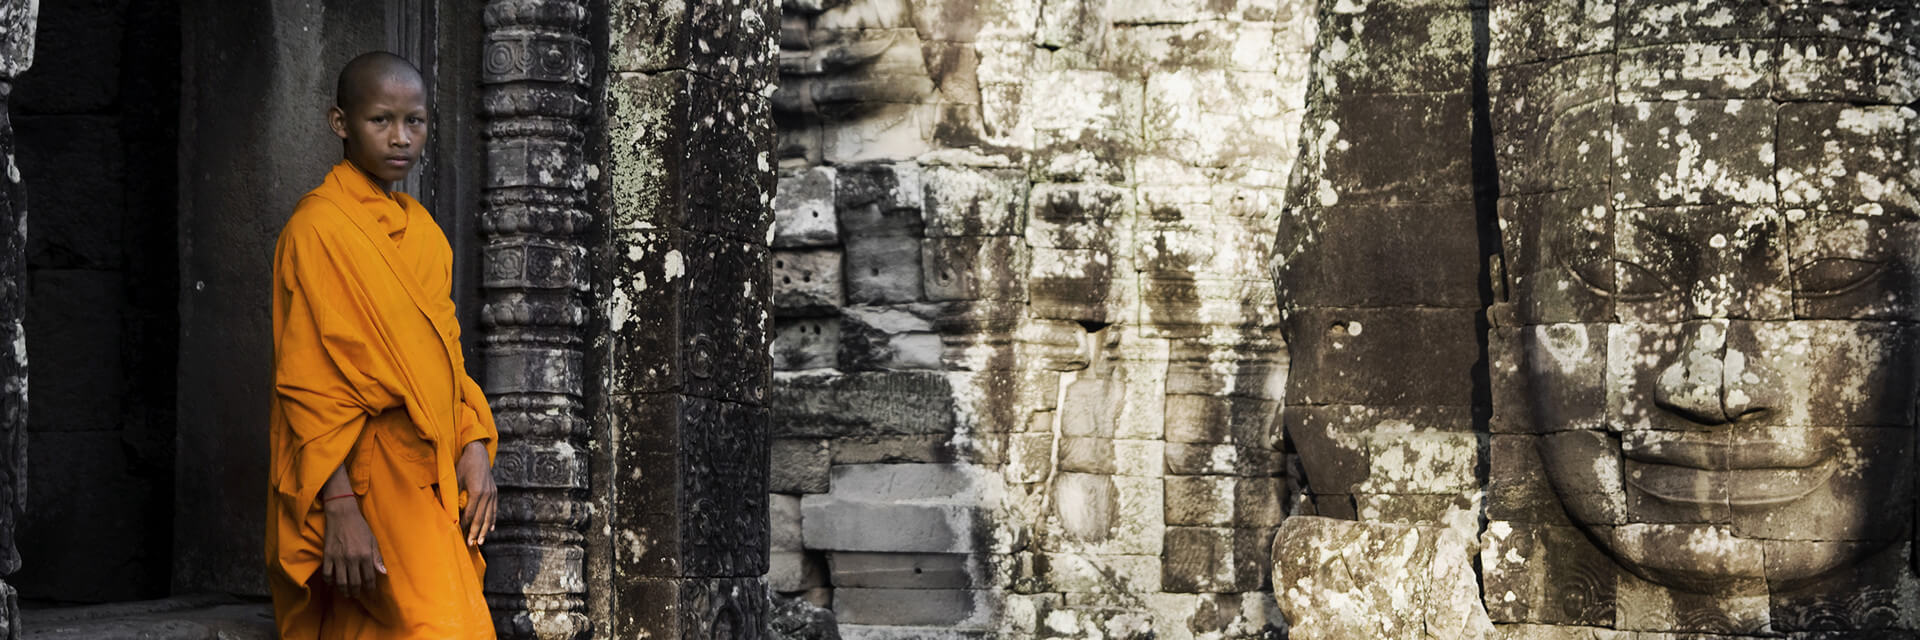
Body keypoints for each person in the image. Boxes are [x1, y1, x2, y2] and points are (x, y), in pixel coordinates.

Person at [265, 51, 499, 639]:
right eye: (380, 120)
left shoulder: (424, 234)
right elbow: (308, 380)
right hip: (364, 474)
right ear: (340, 123)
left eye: (414, 121)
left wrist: (472, 440)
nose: (401, 138)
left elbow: (443, 354)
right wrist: (340, 505)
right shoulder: (316, 230)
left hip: (430, 474)